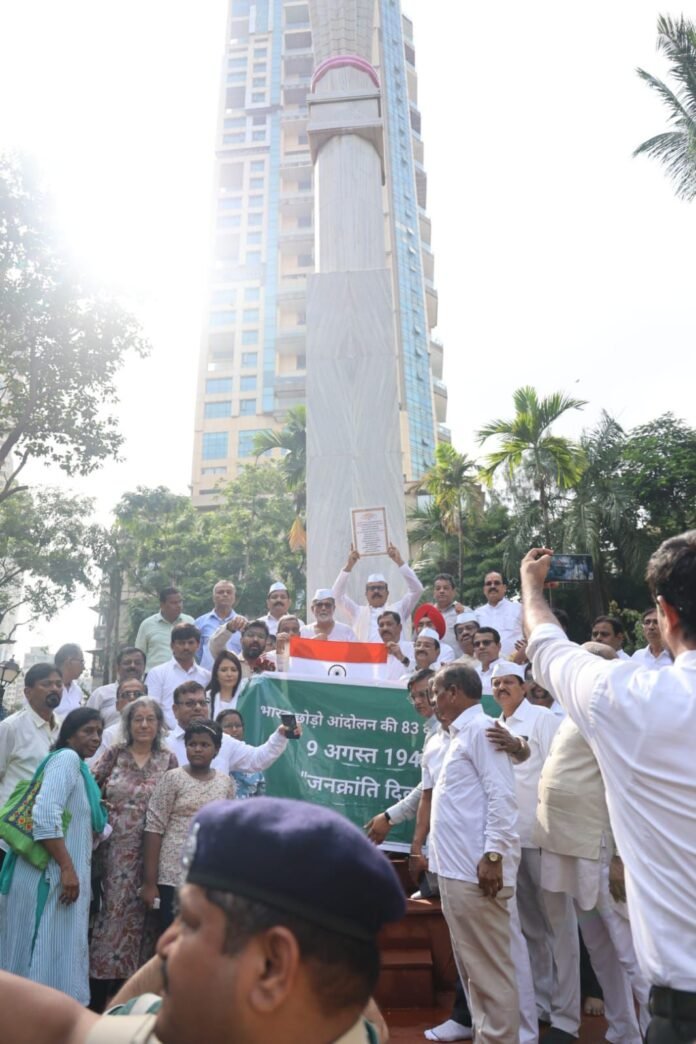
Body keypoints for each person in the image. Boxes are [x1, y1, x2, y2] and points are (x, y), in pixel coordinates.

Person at [0, 796, 405, 1043]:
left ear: (271, 965)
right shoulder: (336, 1024)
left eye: (190, 923)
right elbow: (69, 1028)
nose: (162, 947)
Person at [521, 536, 696, 1044]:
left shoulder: (625, 700)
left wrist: (531, 587)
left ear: (664, 613)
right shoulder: (626, 698)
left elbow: (545, 643)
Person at [426, 663, 523, 1043]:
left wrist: (494, 855)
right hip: (456, 873)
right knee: (474, 974)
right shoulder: (458, 735)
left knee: (490, 974)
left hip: (477, 874)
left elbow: (503, 796)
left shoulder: (483, 730)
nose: (432, 701)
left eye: (435, 692)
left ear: (453, 692)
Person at [485, 662, 575, 1041]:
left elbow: (559, 772)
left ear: (523, 687)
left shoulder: (542, 718)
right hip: (510, 842)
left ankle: (567, 1016)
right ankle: (541, 1003)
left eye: (509, 682)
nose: (502, 688)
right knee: (531, 928)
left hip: (542, 837)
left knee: (560, 927)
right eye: (496, 683)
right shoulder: (492, 725)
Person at [0, 708, 107, 1004]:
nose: (96, 738)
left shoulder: (78, 769)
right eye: (88, 730)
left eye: (99, 731)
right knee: (39, 955)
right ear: (69, 735)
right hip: (48, 878)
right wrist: (67, 868)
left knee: (49, 954)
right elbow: (45, 816)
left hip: (57, 876)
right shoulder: (67, 759)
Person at [89, 698, 177, 1006]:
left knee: (145, 919)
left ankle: (133, 996)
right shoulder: (115, 754)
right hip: (112, 853)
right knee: (109, 916)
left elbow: (174, 802)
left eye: (150, 719)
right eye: (137, 719)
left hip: (151, 853)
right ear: (128, 724)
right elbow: (89, 786)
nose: (144, 725)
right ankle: (98, 994)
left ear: (159, 724)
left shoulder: (168, 759)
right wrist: (99, 804)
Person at [142, 720, 235, 928]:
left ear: (216, 749)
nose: (197, 749)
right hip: (172, 875)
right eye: (192, 744)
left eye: (204, 745)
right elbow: (154, 829)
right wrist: (149, 883)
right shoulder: (173, 778)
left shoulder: (225, 783)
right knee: (172, 933)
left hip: (208, 876)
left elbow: (226, 830)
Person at [364, 669, 438, 845]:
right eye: (413, 697)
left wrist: (389, 817)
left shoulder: (447, 730)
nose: (418, 701)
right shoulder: (435, 728)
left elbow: (428, 786)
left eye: (423, 694)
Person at [164, 681, 292, 777]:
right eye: (190, 703)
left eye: (202, 703)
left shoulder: (223, 741)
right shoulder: (165, 744)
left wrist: (280, 735)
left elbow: (257, 759)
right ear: (175, 710)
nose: (198, 708)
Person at [0, 663, 63, 815]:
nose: (54, 688)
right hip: (11, 820)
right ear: (28, 692)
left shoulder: (63, 728)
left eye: (58, 684)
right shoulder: (11, 727)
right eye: (46, 684)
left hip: (47, 819)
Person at [333, 544, 423, 641]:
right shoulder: (357, 612)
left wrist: (399, 561)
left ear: (387, 593)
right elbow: (336, 595)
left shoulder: (399, 609)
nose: (376, 591)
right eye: (372, 588)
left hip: (394, 651)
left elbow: (417, 590)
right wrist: (349, 566)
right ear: (366, 594)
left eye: (380, 588)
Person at [145, 624, 210, 729]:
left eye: (190, 643)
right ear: (172, 645)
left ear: (198, 645)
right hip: (166, 734)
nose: (186, 647)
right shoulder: (157, 673)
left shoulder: (206, 676)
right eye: (181, 643)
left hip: (200, 734)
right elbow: (152, 708)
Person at [88, 678, 149, 766]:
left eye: (138, 694)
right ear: (117, 705)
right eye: (126, 695)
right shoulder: (108, 736)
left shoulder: (159, 733)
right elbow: (93, 768)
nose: (132, 698)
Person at [135, 588, 195, 672]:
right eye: (174, 603)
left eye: (180, 602)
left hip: (184, 674)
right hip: (154, 675)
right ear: (162, 605)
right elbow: (139, 654)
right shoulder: (147, 625)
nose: (179, 605)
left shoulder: (190, 622)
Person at [87, 648, 146, 727]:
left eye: (137, 663)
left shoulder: (151, 695)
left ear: (144, 667)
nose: (132, 666)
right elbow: (86, 723)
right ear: (117, 667)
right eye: (127, 663)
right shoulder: (100, 694)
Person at [194, 580, 246, 669]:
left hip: (235, 673)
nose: (225, 595)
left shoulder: (243, 623)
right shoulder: (200, 622)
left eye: (229, 592)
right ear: (213, 597)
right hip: (208, 674)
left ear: (234, 597)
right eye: (220, 592)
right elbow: (196, 653)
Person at [216, 709, 266, 799]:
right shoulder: (213, 759)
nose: (234, 729)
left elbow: (261, 800)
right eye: (228, 726)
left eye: (238, 725)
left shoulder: (252, 759)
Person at [475, 571, 523, 656]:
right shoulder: (477, 614)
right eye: (488, 584)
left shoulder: (519, 609)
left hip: (516, 662)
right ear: (484, 589)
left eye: (496, 583)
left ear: (504, 588)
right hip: (486, 663)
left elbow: (531, 635)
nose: (492, 586)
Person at [209, 618, 277, 673]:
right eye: (250, 635)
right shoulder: (232, 662)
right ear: (241, 640)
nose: (255, 639)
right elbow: (215, 645)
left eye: (260, 636)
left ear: (266, 642)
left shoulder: (272, 664)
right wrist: (229, 627)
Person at [431, 573, 469, 650]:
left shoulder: (465, 611)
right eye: (438, 588)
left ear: (454, 591)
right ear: (434, 592)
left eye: (446, 588)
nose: (441, 591)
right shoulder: (428, 614)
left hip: (457, 657)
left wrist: (462, 616)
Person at [472, 626, 502, 715]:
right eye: (477, 644)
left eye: (486, 643)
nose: (481, 647)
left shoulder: (511, 671)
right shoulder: (472, 674)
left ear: (498, 646)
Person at [206, 649, 244, 719]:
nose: (229, 674)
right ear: (216, 673)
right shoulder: (207, 698)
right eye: (224, 670)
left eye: (233, 670)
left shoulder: (245, 698)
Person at [376, 610, 414, 679]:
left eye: (389, 624)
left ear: (399, 627)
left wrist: (403, 658)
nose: (385, 628)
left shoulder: (413, 648)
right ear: (378, 631)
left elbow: (419, 671)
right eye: (381, 625)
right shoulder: (373, 652)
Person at [55, 644, 86, 716]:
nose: (84, 667)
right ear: (69, 662)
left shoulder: (77, 690)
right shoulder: (47, 688)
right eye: (81, 661)